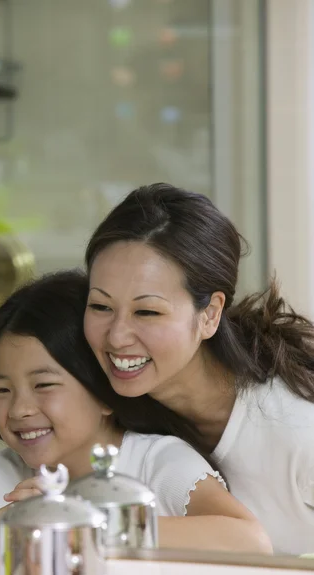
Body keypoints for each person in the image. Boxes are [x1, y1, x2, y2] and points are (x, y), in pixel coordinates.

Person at [0, 270, 271, 553]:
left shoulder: (154, 460)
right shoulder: (12, 469)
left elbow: (247, 539)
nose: (20, 409)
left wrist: (81, 522)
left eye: (44, 385)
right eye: (1, 390)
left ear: (104, 394)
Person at [83, 182, 314, 555]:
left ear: (209, 315)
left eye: (147, 311)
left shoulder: (300, 436)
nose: (117, 336)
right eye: (100, 306)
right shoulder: (108, 405)